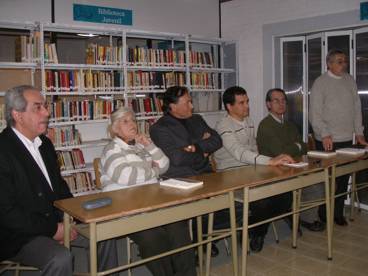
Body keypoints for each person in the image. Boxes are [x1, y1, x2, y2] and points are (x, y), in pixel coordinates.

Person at [0, 85, 117, 276]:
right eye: (38, 107)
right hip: (19, 235)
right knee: (60, 258)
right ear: (17, 115)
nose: (46, 112)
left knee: (104, 234)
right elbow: (7, 213)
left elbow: (59, 187)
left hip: (56, 222)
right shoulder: (3, 151)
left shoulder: (44, 144)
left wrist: (72, 216)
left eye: (45, 106)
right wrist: (54, 230)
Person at [100, 106, 196, 276]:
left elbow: (165, 164)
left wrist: (149, 145)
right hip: (129, 209)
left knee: (178, 227)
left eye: (134, 120)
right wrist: (153, 170)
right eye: (125, 121)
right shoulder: (112, 149)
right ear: (114, 128)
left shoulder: (140, 146)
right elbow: (125, 176)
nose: (133, 124)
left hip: (153, 203)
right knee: (154, 237)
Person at [150, 86, 232, 257]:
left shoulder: (197, 119)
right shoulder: (159, 128)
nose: (192, 106)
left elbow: (217, 140)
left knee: (236, 204)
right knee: (207, 207)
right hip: (182, 179)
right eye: (187, 102)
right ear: (172, 106)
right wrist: (202, 150)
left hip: (207, 174)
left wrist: (194, 147)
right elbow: (177, 158)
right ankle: (197, 241)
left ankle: (203, 238)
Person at [214, 86, 294, 252]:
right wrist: (270, 161)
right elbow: (240, 153)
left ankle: (254, 229)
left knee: (285, 193)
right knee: (261, 199)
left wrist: (264, 167)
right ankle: (258, 233)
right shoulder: (223, 125)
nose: (247, 106)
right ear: (229, 106)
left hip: (250, 171)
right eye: (241, 103)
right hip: (231, 173)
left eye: (247, 102)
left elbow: (253, 149)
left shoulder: (249, 121)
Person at [310, 49, 368, 226]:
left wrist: (359, 133)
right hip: (327, 139)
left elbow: (357, 108)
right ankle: (324, 212)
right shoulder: (320, 83)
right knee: (329, 179)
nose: (344, 64)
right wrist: (324, 133)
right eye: (339, 61)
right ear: (329, 64)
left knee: (342, 179)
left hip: (346, 138)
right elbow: (315, 113)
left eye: (345, 61)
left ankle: (337, 213)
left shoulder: (350, 80)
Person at [256, 88, 324, 232]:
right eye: (276, 101)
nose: (281, 104)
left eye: (283, 101)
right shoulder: (265, 125)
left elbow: (304, 147)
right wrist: (296, 146)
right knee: (316, 186)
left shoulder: (290, 125)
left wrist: (294, 147)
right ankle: (302, 217)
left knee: (323, 181)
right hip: (274, 172)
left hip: (294, 167)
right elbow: (280, 152)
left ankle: (303, 216)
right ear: (268, 104)